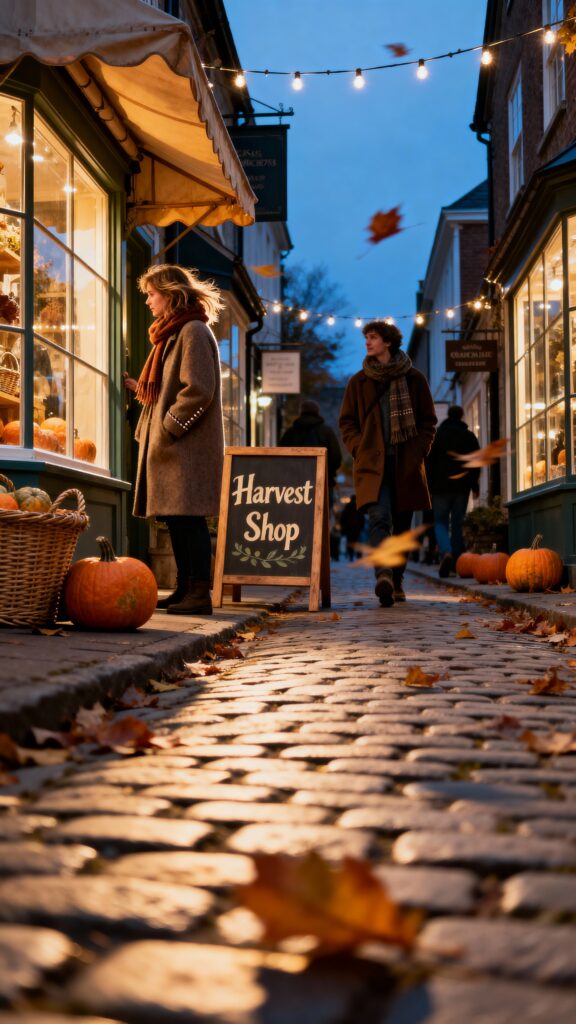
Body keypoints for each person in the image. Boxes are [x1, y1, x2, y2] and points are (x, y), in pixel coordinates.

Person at [124, 263, 224, 616]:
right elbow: (170, 387)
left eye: (152, 294)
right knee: (177, 519)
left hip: (185, 446)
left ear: (169, 294)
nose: (148, 301)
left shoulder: (193, 331)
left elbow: (199, 389)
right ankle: (185, 588)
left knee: (189, 518)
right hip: (175, 447)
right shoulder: (172, 333)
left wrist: (170, 426)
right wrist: (140, 389)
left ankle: (199, 593)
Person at [339, 320, 436, 607]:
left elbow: (428, 421)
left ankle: (398, 579)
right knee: (380, 518)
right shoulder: (359, 381)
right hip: (373, 466)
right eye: (366, 338)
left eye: (373, 338)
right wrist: (359, 448)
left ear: (388, 342)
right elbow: (347, 422)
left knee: (403, 528)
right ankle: (383, 574)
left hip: (405, 464)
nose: (368, 343)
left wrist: (418, 451)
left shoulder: (415, 379)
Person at [426, 404, 480, 578]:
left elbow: (429, 463)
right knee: (457, 524)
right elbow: (475, 463)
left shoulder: (437, 436)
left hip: (440, 488)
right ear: (462, 416)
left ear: (448, 416)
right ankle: (456, 564)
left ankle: (446, 551)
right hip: (461, 488)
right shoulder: (468, 436)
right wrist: (475, 486)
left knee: (440, 523)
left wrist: (428, 486)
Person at [278, 399, 342, 509]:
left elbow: (280, 458)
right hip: (322, 482)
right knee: (322, 514)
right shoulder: (326, 432)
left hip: (295, 484)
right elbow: (336, 458)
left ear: (301, 411)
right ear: (317, 411)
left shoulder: (291, 432)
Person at [339, 494, 365, 561]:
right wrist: (361, 526)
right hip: (356, 528)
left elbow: (343, 517)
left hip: (349, 528)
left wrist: (343, 526)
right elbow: (361, 517)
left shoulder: (347, 506)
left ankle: (351, 555)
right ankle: (358, 555)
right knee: (357, 541)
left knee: (350, 541)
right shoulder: (358, 506)